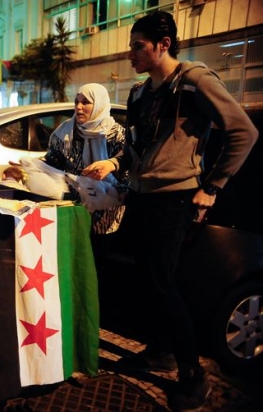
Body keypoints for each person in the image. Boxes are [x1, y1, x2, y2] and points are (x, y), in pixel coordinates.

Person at [82, 11, 258, 412]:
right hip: (142, 197)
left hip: (174, 199)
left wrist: (212, 187)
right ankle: (159, 350)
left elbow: (244, 132)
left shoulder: (194, 81)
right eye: (131, 45)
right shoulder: (141, 93)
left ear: (164, 44)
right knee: (146, 279)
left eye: (138, 46)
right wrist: (114, 164)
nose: (131, 53)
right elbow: (135, 148)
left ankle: (192, 376)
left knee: (161, 283)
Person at [44, 83, 128, 241]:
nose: (79, 107)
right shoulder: (64, 133)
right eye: (76, 102)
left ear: (99, 105)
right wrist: (32, 168)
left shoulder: (117, 135)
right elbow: (52, 164)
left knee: (99, 256)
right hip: (72, 208)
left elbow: (128, 172)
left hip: (107, 212)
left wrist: (107, 175)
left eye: (85, 102)